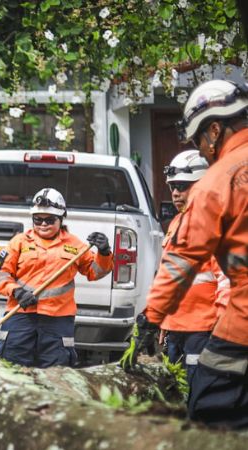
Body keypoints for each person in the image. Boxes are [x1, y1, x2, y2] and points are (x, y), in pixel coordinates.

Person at [125, 79, 248, 429]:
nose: (202, 149)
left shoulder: (217, 181)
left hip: (242, 316)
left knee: (212, 402)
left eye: (198, 140)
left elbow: (182, 262)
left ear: (215, 129)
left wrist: (151, 317)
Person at [0, 188, 113, 367]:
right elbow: (1, 275)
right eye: (37, 219)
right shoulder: (19, 242)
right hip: (21, 314)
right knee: (10, 369)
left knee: (56, 373)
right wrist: (16, 292)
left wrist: (104, 252)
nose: (43, 224)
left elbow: (95, 272)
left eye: (49, 220)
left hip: (58, 319)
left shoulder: (75, 245)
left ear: (61, 218)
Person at [156, 150, 230, 386]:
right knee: (175, 391)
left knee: (200, 391)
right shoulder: (177, 222)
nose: (176, 192)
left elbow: (228, 280)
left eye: (183, 186)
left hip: (203, 329)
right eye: (173, 187)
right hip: (176, 327)